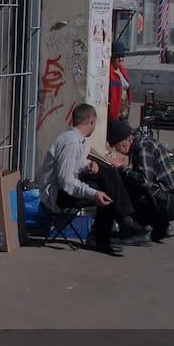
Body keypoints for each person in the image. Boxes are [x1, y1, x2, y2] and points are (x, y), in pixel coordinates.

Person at [39, 103, 149, 256]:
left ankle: (117, 226)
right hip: (57, 195)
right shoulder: (71, 142)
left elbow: (72, 166)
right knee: (106, 190)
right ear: (91, 121)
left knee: (108, 174)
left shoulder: (75, 139)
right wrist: (94, 193)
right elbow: (66, 182)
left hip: (63, 188)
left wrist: (87, 166)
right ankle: (118, 225)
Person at [107, 120, 174, 242]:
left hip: (171, 201)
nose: (116, 150)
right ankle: (161, 226)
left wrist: (121, 167)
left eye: (115, 145)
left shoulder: (143, 147)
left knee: (127, 189)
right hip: (170, 197)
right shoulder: (143, 143)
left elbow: (144, 181)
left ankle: (138, 230)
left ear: (125, 141)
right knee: (132, 182)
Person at [108, 42, 132, 121]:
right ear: (112, 57)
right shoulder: (109, 73)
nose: (121, 59)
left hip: (124, 110)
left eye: (122, 56)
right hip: (115, 111)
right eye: (118, 56)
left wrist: (129, 103)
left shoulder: (123, 71)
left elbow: (127, 89)